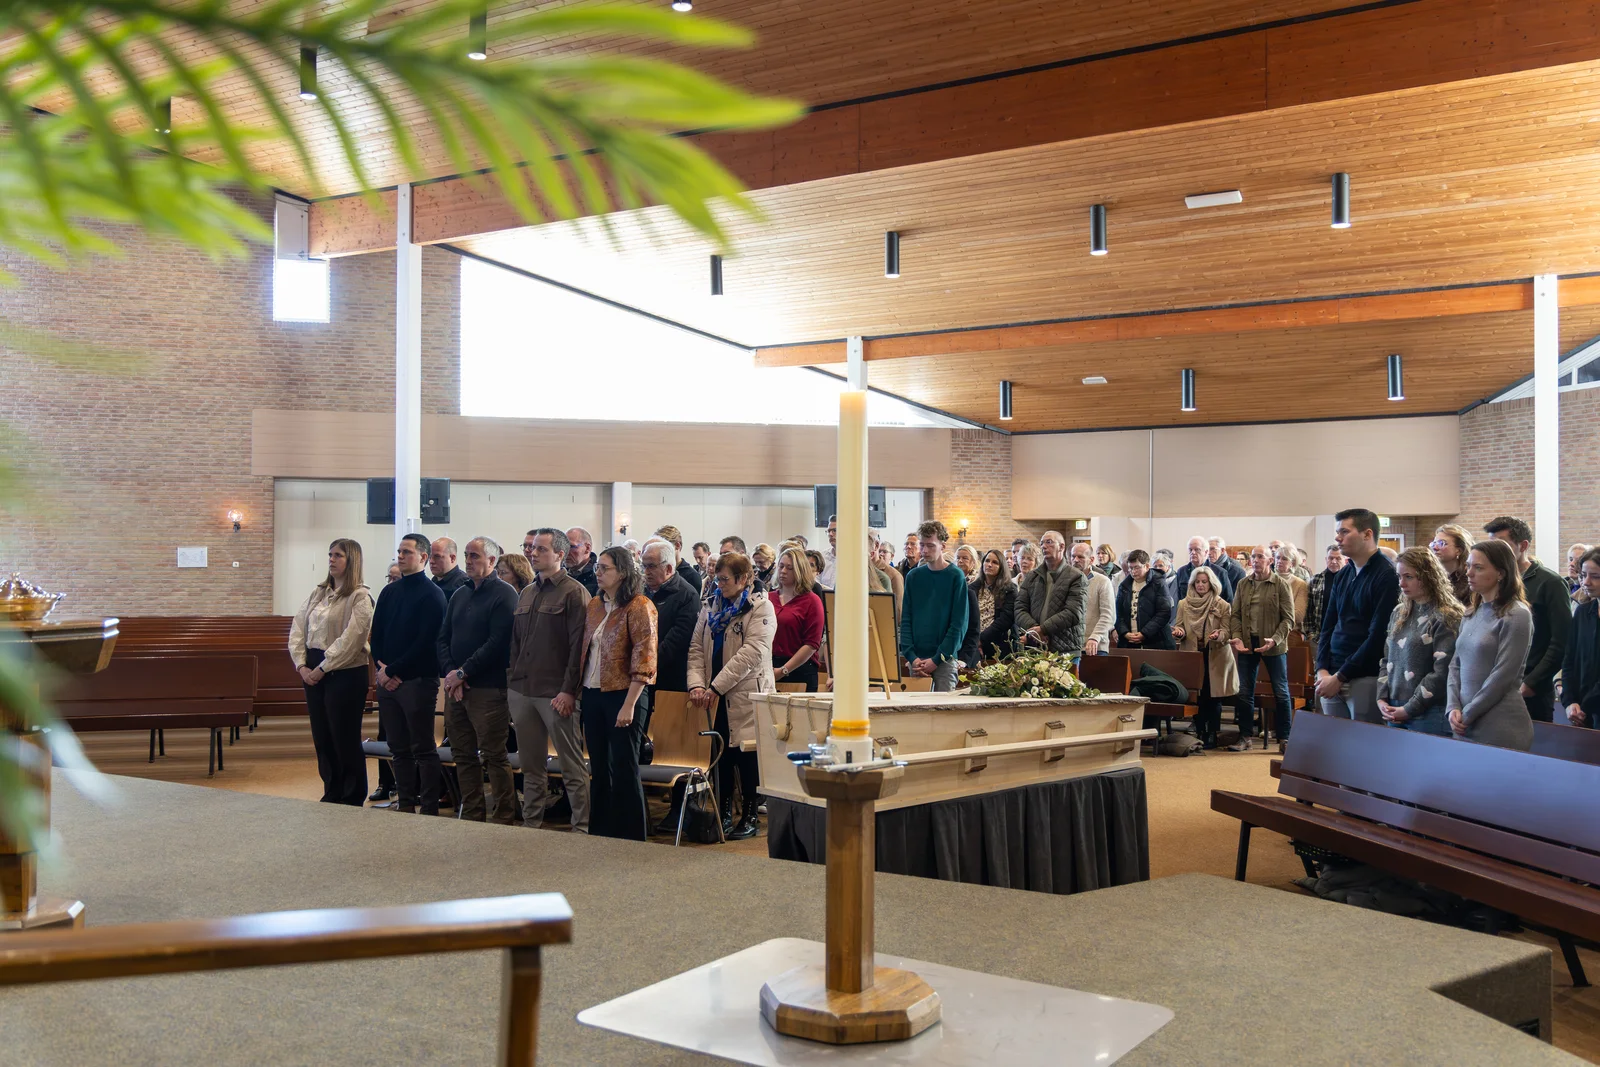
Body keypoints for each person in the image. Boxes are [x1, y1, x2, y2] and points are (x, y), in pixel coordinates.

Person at [508, 528, 591, 833]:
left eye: (541, 549)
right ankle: (532, 824)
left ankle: (581, 828)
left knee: (571, 765)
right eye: (531, 548)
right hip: (522, 689)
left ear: (559, 554)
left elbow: (579, 648)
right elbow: (515, 643)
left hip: (556, 693)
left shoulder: (574, 593)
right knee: (531, 765)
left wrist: (569, 690)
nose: (533, 553)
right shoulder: (527, 592)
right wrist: (511, 683)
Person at [689, 552, 776, 839]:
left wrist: (716, 686)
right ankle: (723, 812)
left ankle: (750, 815)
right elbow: (696, 649)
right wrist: (696, 685)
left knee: (746, 757)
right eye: (717, 579)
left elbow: (752, 654)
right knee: (721, 755)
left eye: (725, 579)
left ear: (743, 578)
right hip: (713, 695)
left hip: (747, 693)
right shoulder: (710, 606)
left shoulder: (761, 608)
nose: (720, 584)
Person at [437, 536, 519, 824]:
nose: (469, 561)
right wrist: (452, 674)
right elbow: (443, 638)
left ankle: (504, 816)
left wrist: (463, 673)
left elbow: (497, 642)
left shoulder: (505, 594)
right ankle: (472, 813)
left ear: (492, 561)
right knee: (462, 754)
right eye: (467, 555)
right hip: (457, 688)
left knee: (494, 755)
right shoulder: (460, 594)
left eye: (475, 556)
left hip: (488, 689)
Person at [288, 538, 374, 806]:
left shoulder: (360, 596)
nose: (331, 559)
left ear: (352, 560)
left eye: (338, 555)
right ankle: (332, 790)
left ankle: (351, 795)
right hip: (313, 668)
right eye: (330, 554)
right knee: (322, 736)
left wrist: (323, 667)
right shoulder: (318, 593)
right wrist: (301, 665)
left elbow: (353, 638)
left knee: (343, 736)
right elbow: (298, 629)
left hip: (344, 671)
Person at [579, 546, 657, 840]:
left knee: (624, 767)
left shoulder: (640, 605)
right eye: (597, 567)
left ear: (622, 573)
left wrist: (629, 705)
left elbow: (645, 658)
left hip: (625, 694)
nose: (598, 573)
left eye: (605, 568)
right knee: (599, 767)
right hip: (593, 693)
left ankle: (632, 837)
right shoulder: (595, 605)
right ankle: (600, 833)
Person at [370, 532, 448, 815]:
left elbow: (426, 642)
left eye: (407, 552)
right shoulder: (389, 592)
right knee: (398, 748)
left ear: (423, 557)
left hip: (417, 681)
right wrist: (382, 670)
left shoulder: (432, 594)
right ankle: (405, 804)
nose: (401, 556)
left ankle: (428, 808)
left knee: (423, 748)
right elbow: (376, 636)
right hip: (388, 682)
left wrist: (391, 671)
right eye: (400, 551)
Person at [1484, 515, 1572, 725]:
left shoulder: (1550, 583)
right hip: (1492, 685)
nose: (1494, 552)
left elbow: (1561, 641)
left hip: (1530, 689)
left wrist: (1533, 683)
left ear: (1522, 546)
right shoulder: (1493, 581)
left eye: (1502, 545)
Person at [1448, 539, 1534, 750]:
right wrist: (1452, 707)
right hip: (1463, 724)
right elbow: (1455, 665)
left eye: (1478, 568)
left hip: (1500, 725)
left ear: (1501, 573)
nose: (1469, 573)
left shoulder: (1516, 614)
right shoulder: (1470, 612)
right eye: (1468, 566)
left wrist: (1468, 713)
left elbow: (1503, 675)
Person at [1315, 508, 1400, 723]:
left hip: (1364, 676)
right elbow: (1328, 625)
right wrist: (1322, 669)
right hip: (1331, 674)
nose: (1338, 538)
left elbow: (1378, 635)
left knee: (1363, 741)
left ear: (1367, 534)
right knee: (1335, 741)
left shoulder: (1387, 575)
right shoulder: (1344, 573)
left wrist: (1341, 676)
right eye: (1338, 532)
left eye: (1344, 531)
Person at [1376, 547, 1462, 737]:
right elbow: (1386, 660)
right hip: (1394, 706)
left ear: (1428, 577)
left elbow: (1442, 672)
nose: (1401, 583)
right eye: (1399, 576)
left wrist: (1409, 709)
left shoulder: (1447, 615)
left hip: (1430, 711)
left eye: (1408, 577)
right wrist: (1382, 698)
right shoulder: (1399, 612)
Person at [1228, 545, 1296, 749]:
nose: (1256, 560)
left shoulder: (1280, 584)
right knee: (1244, 692)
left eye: (1260, 557)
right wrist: (1237, 637)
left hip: (1273, 645)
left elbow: (1288, 619)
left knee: (1280, 691)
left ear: (1270, 560)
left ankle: (1285, 738)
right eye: (1253, 557)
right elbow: (1235, 615)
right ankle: (1245, 737)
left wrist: (1274, 639)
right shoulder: (1243, 584)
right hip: (1248, 644)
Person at [899, 521, 969, 691]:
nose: (924, 550)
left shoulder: (955, 576)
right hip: (917, 659)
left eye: (930, 545)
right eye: (922, 545)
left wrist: (937, 658)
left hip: (944, 659)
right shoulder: (913, 576)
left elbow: (959, 624)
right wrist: (911, 656)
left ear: (942, 546)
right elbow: (906, 619)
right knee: (916, 706)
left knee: (943, 707)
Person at [1171, 566, 1236, 749]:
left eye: (1204, 582)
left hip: (1215, 655)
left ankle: (1213, 733)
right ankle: (1199, 731)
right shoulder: (1183, 604)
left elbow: (1227, 631)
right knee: (1198, 696)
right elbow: (1179, 626)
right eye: (1197, 582)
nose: (1200, 585)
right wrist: (1179, 632)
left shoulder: (1222, 604)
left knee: (1213, 696)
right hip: (1193, 656)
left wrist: (1218, 635)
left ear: (1211, 584)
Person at [1015, 530, 1088, 659]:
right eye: (1041, 543)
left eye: (1049, 542)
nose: (1044, 546)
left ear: (1061, 546)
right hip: (1035, 647)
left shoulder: (1076, 576)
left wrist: (1043, 629)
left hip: (1065, 649)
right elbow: (1019, 607)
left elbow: (1074, 612)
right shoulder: (1032, 576)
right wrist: (1034, 629)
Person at [642, 541, 699, 696]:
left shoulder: (687, 595)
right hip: (642, 676)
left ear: (668, 568)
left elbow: (677, 640)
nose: (646, 572)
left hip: (670, 679)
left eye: (651, 566)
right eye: (644, 566)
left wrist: (647, 665)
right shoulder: (642, 591)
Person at [770, 546, 825, 691]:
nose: (783, 571)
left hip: (800, 669)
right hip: (770, 666)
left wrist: (783, 670)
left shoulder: (812, 601)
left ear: (800, 571)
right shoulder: (769, 598)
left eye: (790, 568)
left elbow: (812, 644)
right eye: (781, 566)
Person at [1563, 548, 1600, 727]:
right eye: (1583, 575)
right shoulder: (1582, 612)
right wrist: (1570, 701)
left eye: (1595, 576)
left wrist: (1584, 705)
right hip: (1582, 712)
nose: (1586, 582)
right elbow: (1569, 660)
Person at [1113, 549, 1173, 651]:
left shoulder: (1158, 583)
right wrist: (1125, 633)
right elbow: (1118, 613)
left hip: (1156, 641)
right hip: (1129, 641)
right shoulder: (1124, 586)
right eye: (1131, 568)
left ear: (1147, 566)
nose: (1133, 571)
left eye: (1137, 567)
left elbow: (1164, 612)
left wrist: (1144, 633)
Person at [1070, 542, 1115, 656]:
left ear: (1091, 560)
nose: (1075, 560)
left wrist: (1095, 637)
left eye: (1080, 557)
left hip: (1096, 646)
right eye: (1073, 556)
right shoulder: (1065, 581)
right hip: (1070, 646)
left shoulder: (1102, 581)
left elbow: (1108, 615)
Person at [974, 549, 1015, 660]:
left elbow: (1006, 619)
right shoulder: (972, 588)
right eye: (987, 561)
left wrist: (981, 639)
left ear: (1002, 567)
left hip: (999, 643)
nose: (989, 565)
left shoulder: (1009, 589)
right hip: (974, 644)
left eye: (995, 562)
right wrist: (974, 640)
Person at [1303, 544, 1344, 648]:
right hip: (1320, 636)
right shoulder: (1315, 580)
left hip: (1343, 636)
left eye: (1338, 558)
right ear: (1326, 559)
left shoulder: (1351, 580)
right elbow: (1308, 609)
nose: (1334, 561)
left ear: (1345, 560)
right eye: (1331, 558)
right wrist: (1311, 634)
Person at [1173, 535, 1231, 602]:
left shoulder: (1219, 572)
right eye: (1190, 550)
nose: (1193, 552)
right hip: (1188, 608)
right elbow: (1177, 598)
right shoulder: (1181, 571)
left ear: (1206, 552)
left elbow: (1228, 600)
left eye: (1197, 549)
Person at [1430, 524, 1473, 604]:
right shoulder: (1431, 577)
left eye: (1441, 543)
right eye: (1434, 543)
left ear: (1458, 551)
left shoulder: (1470, 580)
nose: (1435, 548)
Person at [654, 525, 702, 591]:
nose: (660, 552)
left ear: (677, 546)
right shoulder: (658, 571)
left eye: (664, 548)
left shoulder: (692, 576)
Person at [1275, 547, 1309, 631]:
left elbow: (1298, 615)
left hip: (1290, 631)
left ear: (1292, 563)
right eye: (1278, 558)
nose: (1279, 561)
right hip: (1267, 630)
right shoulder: (1267, 580)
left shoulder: (1300, 584)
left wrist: (1272, 616)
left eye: (1284, 559)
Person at [564, 526, 599, 596]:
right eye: (564, 547)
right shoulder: (558, 574)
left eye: (571, 547)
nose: (565, 552)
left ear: (587, 548)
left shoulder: (598, 576)